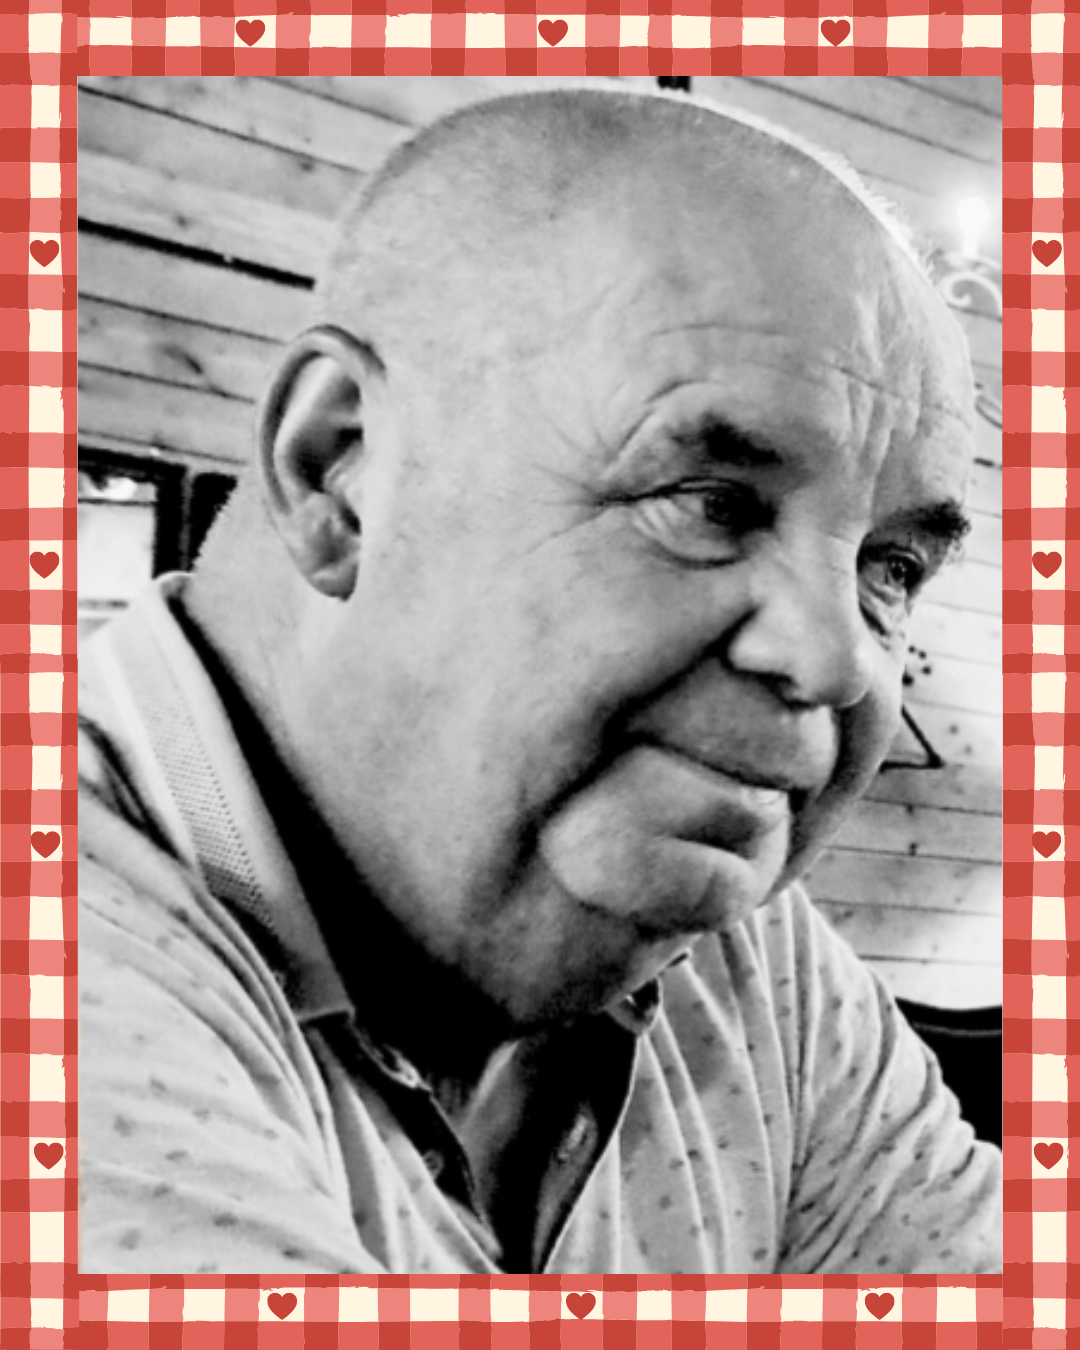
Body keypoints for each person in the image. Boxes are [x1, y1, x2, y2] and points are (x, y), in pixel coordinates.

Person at [79, 86, 1001, 1274]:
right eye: (713, 502)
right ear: (341, 473)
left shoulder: (744, 961)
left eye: (892, 568)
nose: (838, 661)